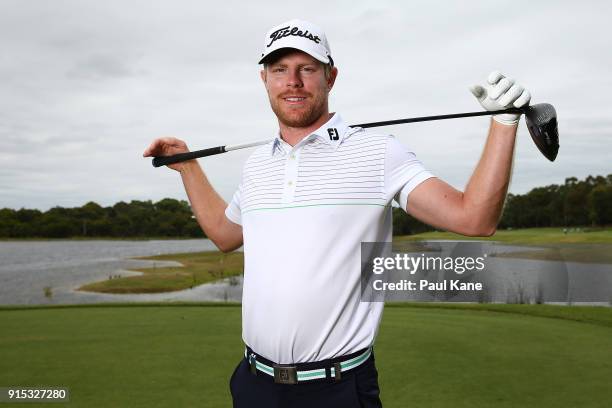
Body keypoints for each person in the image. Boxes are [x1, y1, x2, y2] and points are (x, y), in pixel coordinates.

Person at [143, 18, 531, 408]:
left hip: (338, 389)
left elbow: (474, 218)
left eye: (307, 68)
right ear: (265, 79)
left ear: (331, 77)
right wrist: (189, 169)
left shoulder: (379, 153)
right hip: (253, 384)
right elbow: (226, 235)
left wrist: (503, 122)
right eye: (280, 69)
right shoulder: (257, 165)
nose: (293, 81)